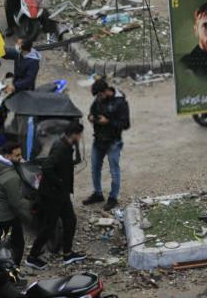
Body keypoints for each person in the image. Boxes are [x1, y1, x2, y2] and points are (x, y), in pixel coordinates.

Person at [27, 124, 87, 268]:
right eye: (79, 135)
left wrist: (77, 147)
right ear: (74, 134)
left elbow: (75, 161)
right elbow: (47, 167)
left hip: (62, 194)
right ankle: (32, 257)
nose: (80, 137)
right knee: (49, 226)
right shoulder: (61, 148)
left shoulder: (66, 145)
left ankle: (67, 254)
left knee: (70, 221)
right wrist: (59, 182)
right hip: (52, 195)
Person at [83, 79, 131, 211]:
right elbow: (92, 110)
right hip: (98, 140)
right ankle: (98, 193)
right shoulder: (99, 99)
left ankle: (113, 197)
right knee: (95, 168)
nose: (98, 98)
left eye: (100, 95)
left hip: (113, 142)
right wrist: (91, 117)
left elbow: (125, 124)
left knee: (114, 170)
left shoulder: (120, 103)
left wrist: (108, 122)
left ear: (106, 91)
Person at [0, 143, 31, 266]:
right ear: (7, 156)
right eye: (17, 155)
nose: (20, 158)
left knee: (0, 241)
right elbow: (17, 203)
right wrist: (31, 210)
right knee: (17, 245)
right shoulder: (11, 177)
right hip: (7, 217)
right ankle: (12, 274)